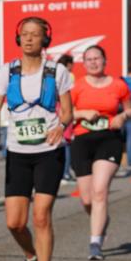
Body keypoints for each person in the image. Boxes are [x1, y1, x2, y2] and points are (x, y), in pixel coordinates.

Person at [0, 17, 73, 261]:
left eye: (35, 35)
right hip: (18, 153)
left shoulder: (57, 71)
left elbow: (68, 111)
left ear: (46, 39)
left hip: (48, 152)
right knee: (14, 223)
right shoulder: (7, 72)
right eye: (25, 34)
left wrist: (61, 125)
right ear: (18, 38)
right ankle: (30, 256)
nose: (30, 39)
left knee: (41, 215)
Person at [69, 45, 131, 260]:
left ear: (105, 61)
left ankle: (95, 242)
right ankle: (101, 219)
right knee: (87, 199)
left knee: (99, 191)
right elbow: (64, 113)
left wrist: (122, 117)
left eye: (97, 58)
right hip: (82, 142)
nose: (93, 62)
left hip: (109, 140)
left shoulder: (118, 85)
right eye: (88, 59)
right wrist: (82, 113)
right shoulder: (76, 87)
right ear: (84, 63)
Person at [57, 54, 76, 182]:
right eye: (72, 64)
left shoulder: (54, 73)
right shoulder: (69, 76)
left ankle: (62, 172)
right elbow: (71, 96)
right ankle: (66, 173)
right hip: (66, 109)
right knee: (67, 143)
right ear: (68, 64)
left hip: (56, 109)